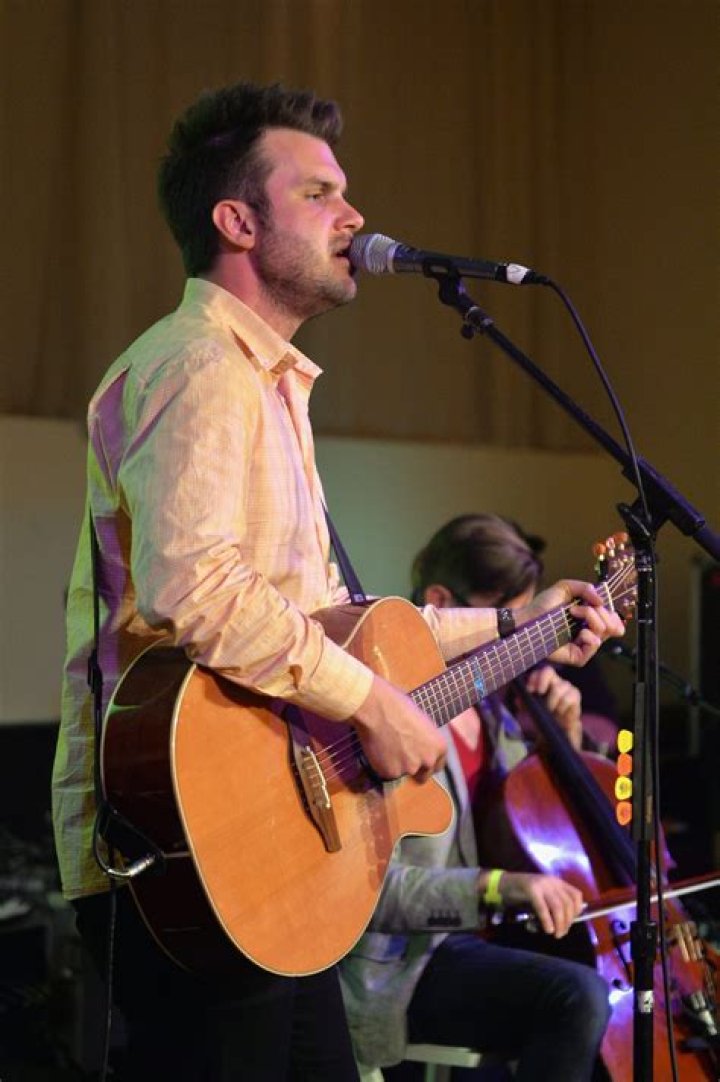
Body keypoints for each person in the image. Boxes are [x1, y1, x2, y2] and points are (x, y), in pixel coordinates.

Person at [51, 83, 624, 1081]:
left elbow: (341, 626)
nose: (354, 216)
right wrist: (372, 705)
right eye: (318, 194)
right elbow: (196, 589)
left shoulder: (271, 384)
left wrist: (516, 624)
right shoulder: (199, 366)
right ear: (237, 222)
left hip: (275, 856)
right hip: (191, 845)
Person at [340, 513, 621, 1081]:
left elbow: (545, 833)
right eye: (508, 624)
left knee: (604, 992)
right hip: (405, 963)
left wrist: (561, 739)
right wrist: (496, 886)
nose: (520, 647)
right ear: (442, 603)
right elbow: (367, 893)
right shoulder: (390, 725)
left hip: (480, 941)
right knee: (578, 997)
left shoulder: (496, 713)